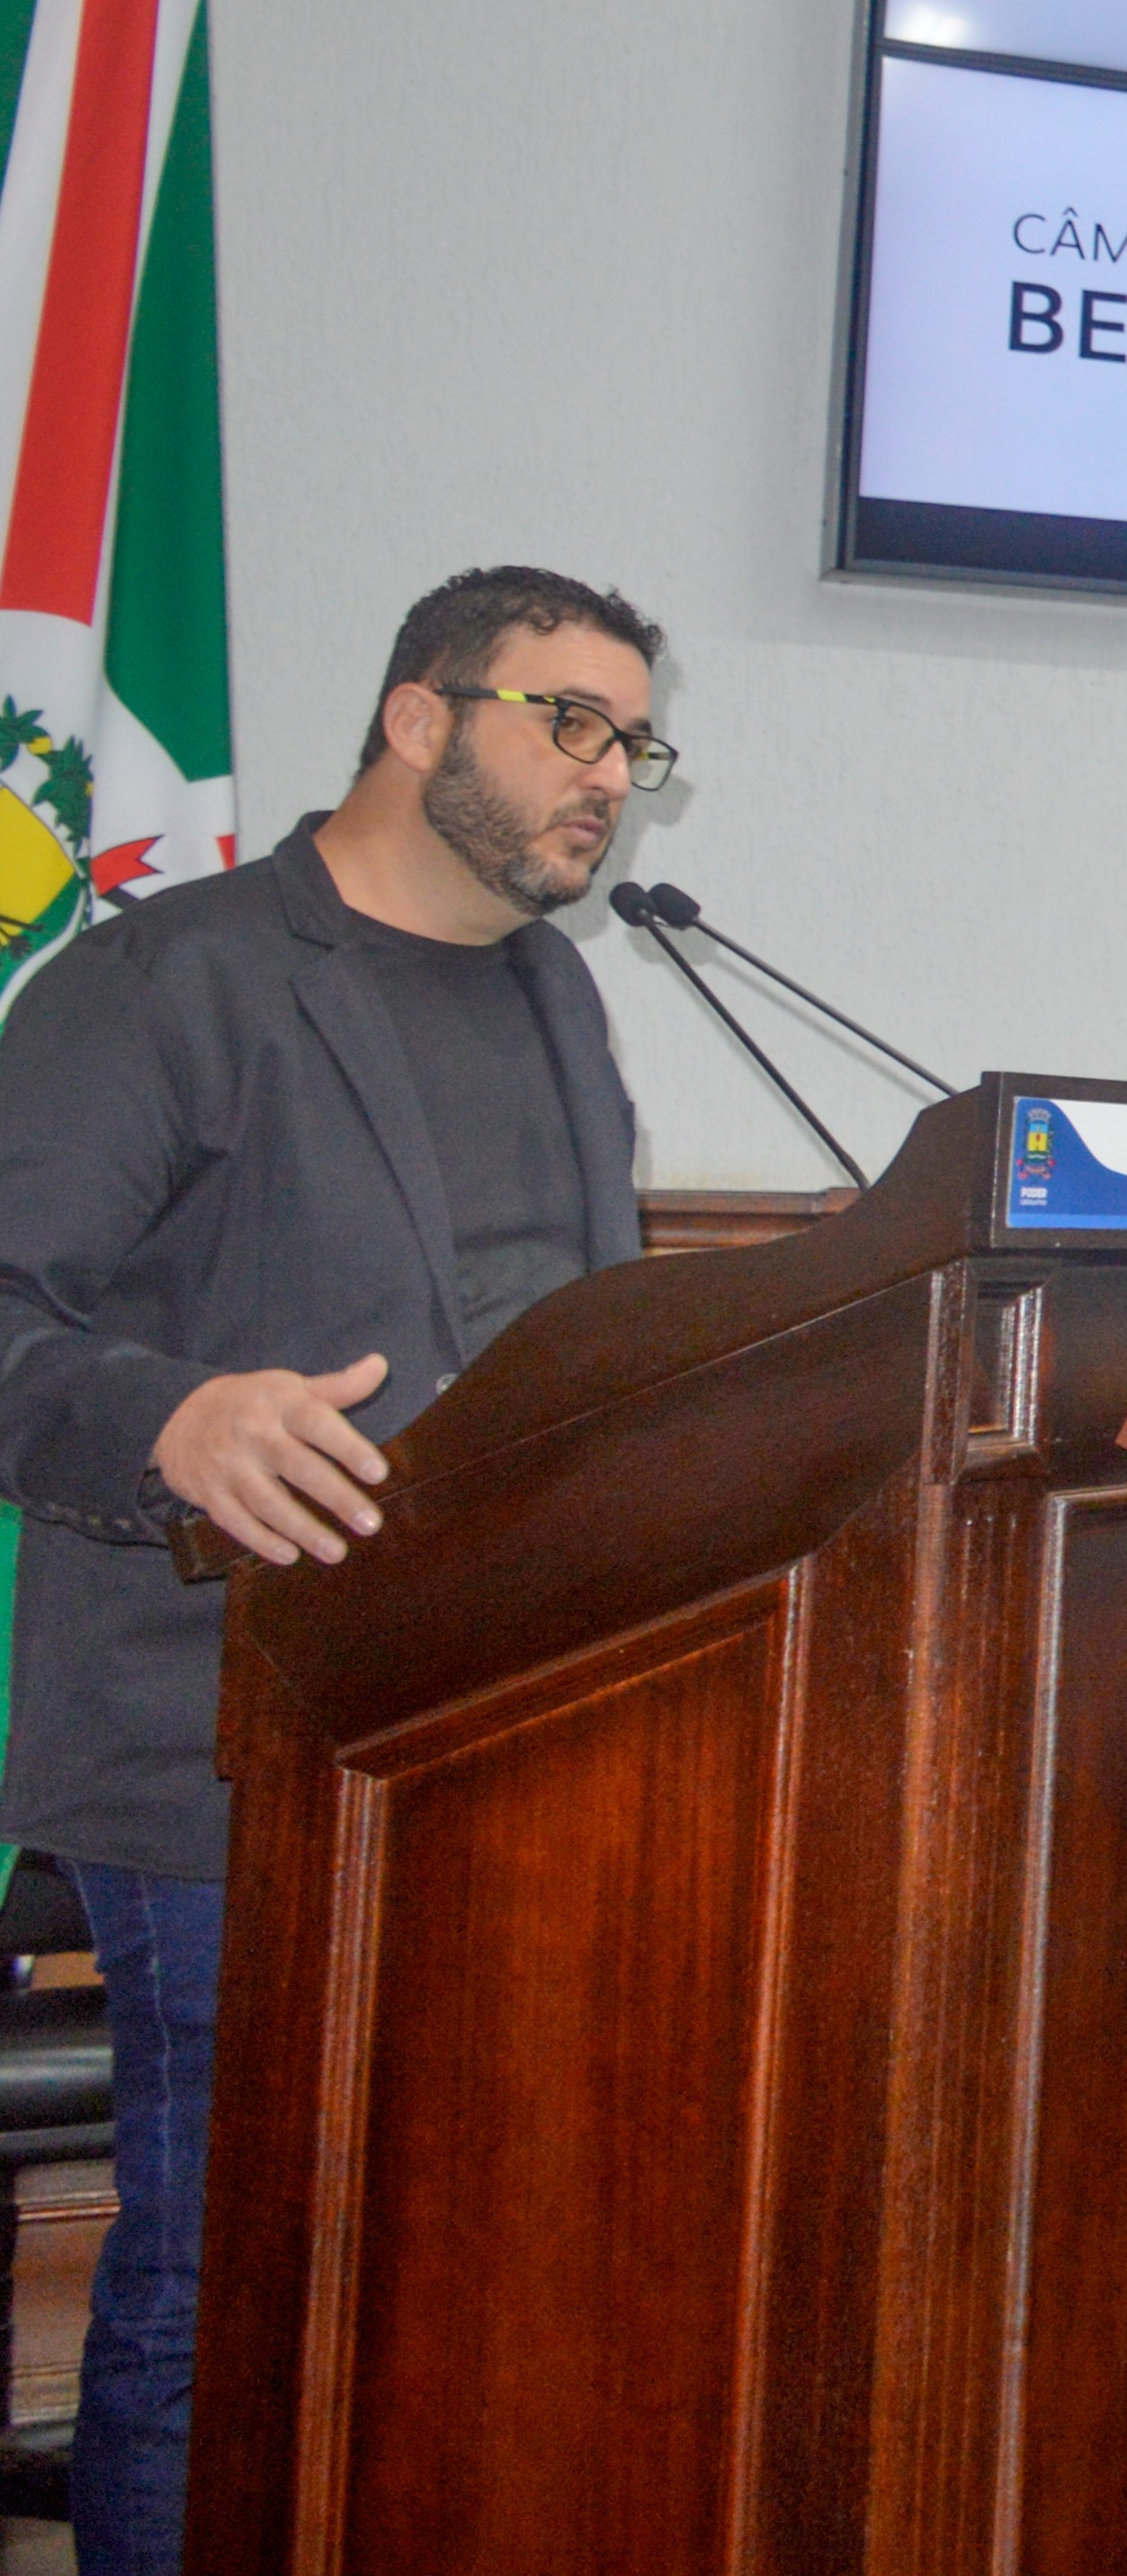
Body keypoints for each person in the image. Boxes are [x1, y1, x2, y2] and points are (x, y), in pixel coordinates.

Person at [0, 565, 663, 2572]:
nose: (608, 774)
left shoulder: (558, 995)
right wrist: (171, 1418)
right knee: (232, 2280)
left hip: (501, 1727)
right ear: (417, 716)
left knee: (448, 2267)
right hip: (231, 1744)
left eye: (634, 743)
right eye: (568, 721)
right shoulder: (170, 981)